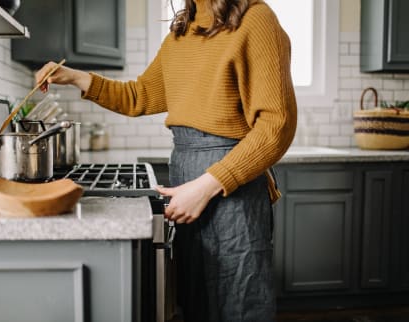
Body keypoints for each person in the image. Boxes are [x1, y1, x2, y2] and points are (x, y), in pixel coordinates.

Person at [35, 0, 297, 320]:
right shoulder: (181, 33)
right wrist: (75, 77)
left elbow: (277, 126)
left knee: (238, 303)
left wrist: (205, 186)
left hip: (231, 185)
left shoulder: (256, 20)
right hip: (185, 172)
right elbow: (139, 96)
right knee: (196, 299)